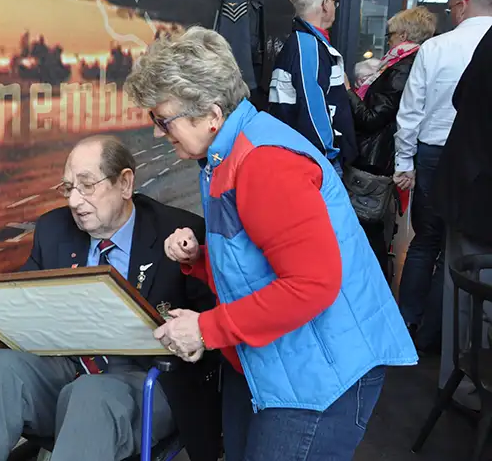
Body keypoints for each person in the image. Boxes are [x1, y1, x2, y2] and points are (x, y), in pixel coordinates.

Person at [124, 26, 417, 461]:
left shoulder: (263, 163)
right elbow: (260, 254)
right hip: (278, 361)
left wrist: (205, 329)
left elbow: (312, 285)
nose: (156, 132)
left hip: (319, 374)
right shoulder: (226, 151)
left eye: (162, 119)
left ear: (210, 113)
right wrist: (201, 260)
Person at [0, 135, 222, 461]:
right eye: (68, 188)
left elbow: (210, 330)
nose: (74, 200)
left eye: (86, 186)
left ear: (125, 184)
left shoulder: (180, 231)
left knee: (90, 394)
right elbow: (21, 302)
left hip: (148, 381)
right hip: (65, 370)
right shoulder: (53, 229)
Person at [393, 0, 492, 351]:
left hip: (435, 154)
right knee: (465, 253)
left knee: (425, 243)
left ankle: (407, 326)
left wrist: (404, 162)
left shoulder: (435, 49)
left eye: (450, 7)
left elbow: (410, 112)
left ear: (463, 5)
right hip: (481, 162)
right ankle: (441, 337)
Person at [346, 7, 437, 280]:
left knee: (366, 232)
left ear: (404, 35)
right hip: (382, 158)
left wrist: (346, 91)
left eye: (391, 36)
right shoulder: (412, 63)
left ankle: (373, 292)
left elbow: (372, 118)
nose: (388, 42)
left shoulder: (400, 69)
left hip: (373, 162)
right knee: (373, 232)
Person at [433, 22, 492, 407]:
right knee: (477, 296)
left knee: (465, 294)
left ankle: (460, 387)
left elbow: (459, 97)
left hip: (468, 176)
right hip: (479, 187)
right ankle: (472, 391)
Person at [268, 0, 357, 176]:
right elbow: (312, 106)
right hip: (317, 160)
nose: (336, 7)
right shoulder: (308, 46)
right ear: (325, 5)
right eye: (334, 1)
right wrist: (327, 156)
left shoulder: (304, 42)